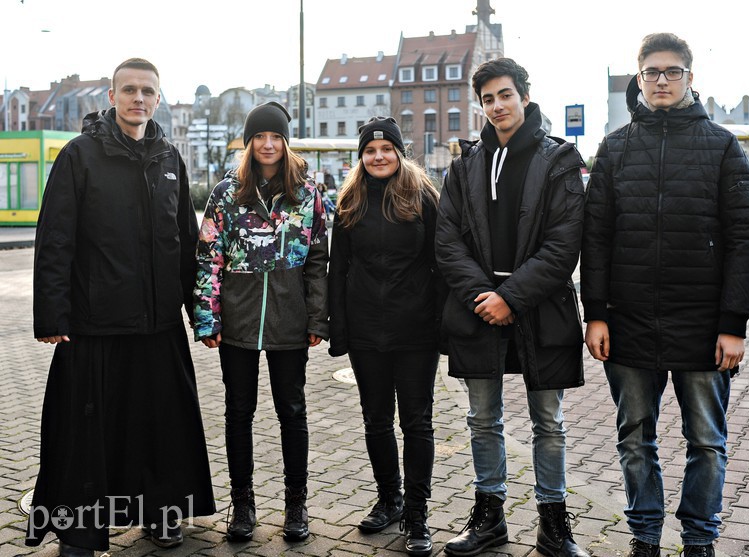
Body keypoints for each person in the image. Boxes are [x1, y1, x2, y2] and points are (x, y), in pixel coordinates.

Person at [581, 33, 749, 557]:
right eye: (652, 72)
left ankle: (699, 538)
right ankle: (644, 536)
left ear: (690, 78)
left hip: (704, 327)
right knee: (635, 439)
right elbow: (595, 238)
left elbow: (746, 236)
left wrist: (734, 323)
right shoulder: (615, 149)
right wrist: (596, 315)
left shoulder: (723, 146)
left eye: (672, 72)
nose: (662, 80)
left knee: (706, 442)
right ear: (638, 80)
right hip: (630, 323)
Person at [27, 58, 215, 557]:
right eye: (128, 90)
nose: (138, 98)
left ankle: (161, 516)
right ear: (111, 97)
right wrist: (51, 315)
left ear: (158, 99)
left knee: (161, 428)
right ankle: (82, 532)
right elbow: (55, 241)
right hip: (95, 325)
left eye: (147, 91)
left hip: (158, 326)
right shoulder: (79, 156)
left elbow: (184, 247)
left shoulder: (171, 158)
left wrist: (201, 316)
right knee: (89, 438)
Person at [435, 57, 589, 557]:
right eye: (487, 99)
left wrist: (511, 297)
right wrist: (486, 298)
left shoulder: (561, 159)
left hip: (540, 308)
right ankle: (489, 518)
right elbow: (447, 241)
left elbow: (565, 245)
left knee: (549, 422)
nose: (497, 106)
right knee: (482, 419)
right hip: (479, 308)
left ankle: (553, 524)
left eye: (505, 95)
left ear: (524, 94)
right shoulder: (465, 163)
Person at [193, 101, 328, 543]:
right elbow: (208, 257)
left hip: (289, 320)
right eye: (259, 137)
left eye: (275, 137)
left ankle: (296, 504)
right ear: (248, 143)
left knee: (292, 411)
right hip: (239, 320)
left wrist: (317, 318)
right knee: (238, 412)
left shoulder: (308, 193)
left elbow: (318, 261)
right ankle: (243, 503)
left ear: (285, 143)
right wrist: (207, 318)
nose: (268, 145)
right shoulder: (226, 193)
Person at [328, 117, 441, 556]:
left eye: (386, 150)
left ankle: (417, 513)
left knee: (417, 422)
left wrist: (441, 325)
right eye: (370, 151)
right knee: (376, 419)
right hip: (365, 331)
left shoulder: (423, 197)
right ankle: (389, 499)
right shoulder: (349, 200)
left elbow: (441, 262)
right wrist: (339, 329)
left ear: (399, 153)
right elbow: (339, 268)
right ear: (362, 157)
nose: (378, 157)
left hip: (415, 330)